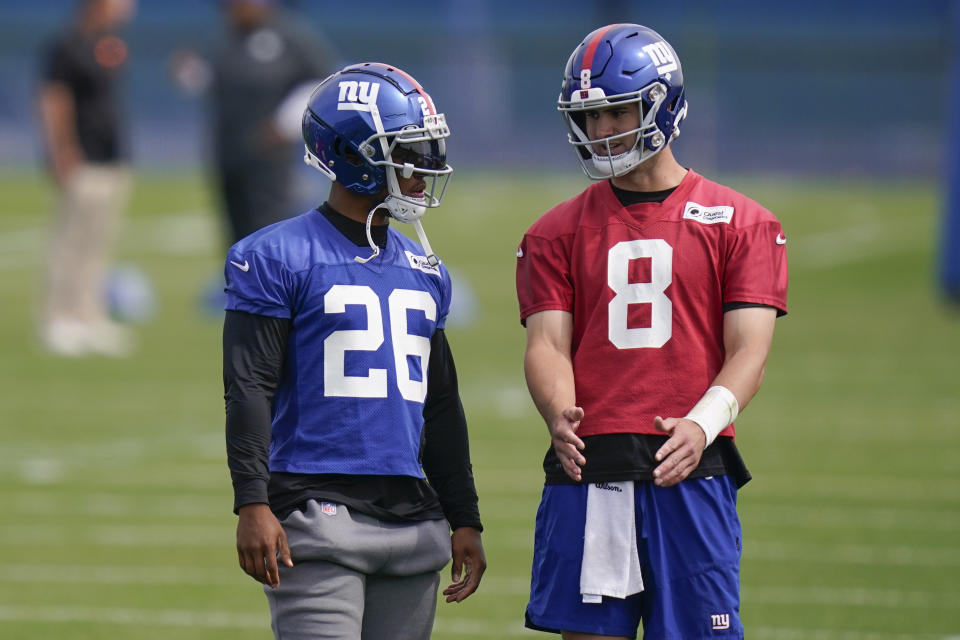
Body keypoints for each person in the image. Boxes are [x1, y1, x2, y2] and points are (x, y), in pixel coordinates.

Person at [516, 24, 788, 639]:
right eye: (589, 117)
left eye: (617, 111)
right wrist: (559, 411)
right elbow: (546, 345)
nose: (602, 131)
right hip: (589, 468)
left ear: (663, 104)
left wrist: (702, 423)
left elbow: (751, 351)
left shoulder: (741, 222)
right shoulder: (552, 232)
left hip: (689, 467)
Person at [223, 62, 485, 640]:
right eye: (408, 152)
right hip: (317, 509)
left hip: (413, 517)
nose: (426, 169)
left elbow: (440, 403)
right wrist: (251, 502)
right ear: (353, 155)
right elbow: (249, 388)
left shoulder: (424, 269)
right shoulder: (275, 255)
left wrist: (463, 515)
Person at [172, 0, 335, 246]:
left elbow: (319, 82)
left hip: (270, 158)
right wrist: (187, 72)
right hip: (228, 152)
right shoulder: (226, 40)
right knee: (236, 234)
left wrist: (283, 124)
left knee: (269, 229)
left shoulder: (290, 36)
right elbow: (213, 81)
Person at [37, 0, 137, 356]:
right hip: (82, 156)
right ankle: (58, 317)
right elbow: (54, 99)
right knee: (71, 241)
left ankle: (87, 315)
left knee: (98, 242)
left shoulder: (107, 45)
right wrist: (61, 148)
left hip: (112, 156)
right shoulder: (66, 46)